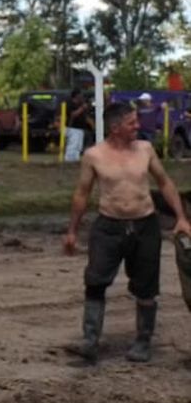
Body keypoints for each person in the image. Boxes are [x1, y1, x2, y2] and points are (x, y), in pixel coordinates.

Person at [64, 100, 191, 364]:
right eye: (132, 122)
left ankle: (143, 341)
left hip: (145, 226)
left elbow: (165, 182)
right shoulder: (94, 155)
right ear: (115, 127)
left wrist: (181, 218)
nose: (137, 126)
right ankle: (89, 341)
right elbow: (81, 194)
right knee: (96, 281)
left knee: (146, 286)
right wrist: (72, 232)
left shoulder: (145, 149)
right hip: (108, 227)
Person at [65, 88, 91, 162]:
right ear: (76, 96)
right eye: (80, 95)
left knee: (78, 146)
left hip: (80, 128)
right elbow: (73, 115)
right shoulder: (70, 104)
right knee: (73, 143)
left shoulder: (80, 104)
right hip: (72, 127)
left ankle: (75, 159)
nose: (82, 97)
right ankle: (69, 159)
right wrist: (82, 108)